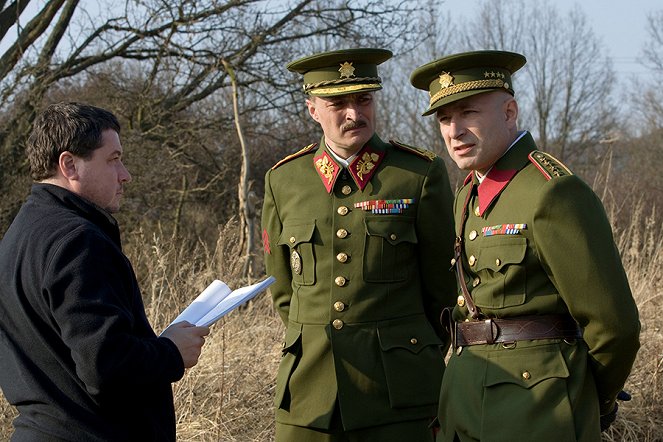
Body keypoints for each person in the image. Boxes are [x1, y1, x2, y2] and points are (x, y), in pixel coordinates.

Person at [410, 50, 641, 441]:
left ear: (509, 111)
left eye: (468, 112)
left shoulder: (552, 191)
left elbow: (614, 327)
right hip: (466, 399)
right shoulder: (467, 196)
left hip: (537, 409)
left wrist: (586, 400)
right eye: (445, 119)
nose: (454, 130)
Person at [261, 48, 457, 441]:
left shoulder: (416, 174)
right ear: (312, 109)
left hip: (400, 393)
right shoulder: (284, 180)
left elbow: (442, 289)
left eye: (364, 99)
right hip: (308, 394)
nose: (355, 113)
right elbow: (283, 290)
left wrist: (419, 356)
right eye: (338, 103)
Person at [0, 102, 210, 441]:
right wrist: (171, 352)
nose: (125, 174)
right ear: (69, 164)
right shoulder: (78, 242)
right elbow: (105, 366)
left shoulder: (18, 236)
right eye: (113, 160)